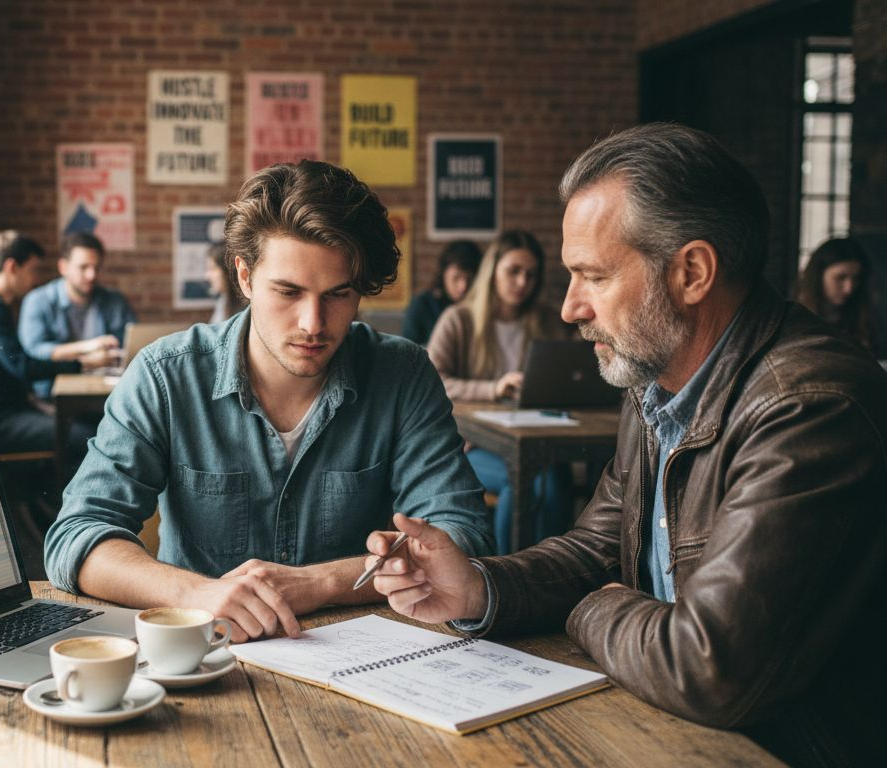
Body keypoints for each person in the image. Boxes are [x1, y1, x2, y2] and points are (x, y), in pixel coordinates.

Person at [366, 124, 887, 767]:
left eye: (593, 276)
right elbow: (598, 548)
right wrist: (478, 586)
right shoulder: (656, 384)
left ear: (692, 272)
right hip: (671, 720)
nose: (569, 308)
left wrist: (596, 610)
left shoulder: (807, 407)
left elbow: (709, 665)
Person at [45, 160, 493, 642]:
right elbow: (78, 536)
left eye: (338, 294)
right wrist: (194, 594)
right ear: (244, 277)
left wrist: (319, 583)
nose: (313, 323)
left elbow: (462, 537)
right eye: (288, 291)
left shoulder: (402, 374)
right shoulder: (166, 375)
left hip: (362, 656)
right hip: (207, 652)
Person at [426, 230, 573, 554]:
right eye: (514, 271)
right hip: (475, 444)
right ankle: (510, 574)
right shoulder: (459, 319)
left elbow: (568, 374)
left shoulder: (547, 320)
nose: (523, 282)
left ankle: (554, 576)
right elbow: (431, 379)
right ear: (493, 270)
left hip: (534, 439)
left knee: (552, 482)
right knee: (525, 482)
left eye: (531, 274)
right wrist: (493, 388)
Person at [0, 231, 102, 458]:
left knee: (88, 426)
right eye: (33, 270)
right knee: (92, 437)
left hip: (8, 412)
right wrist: (81, 365)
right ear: (12, 267)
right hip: (0, 424)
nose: (36, 279)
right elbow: (23, 367)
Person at [19, 232, 137, 398]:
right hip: (53, 397)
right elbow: (34, 351)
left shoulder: (115, 301)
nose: (92, 275)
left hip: (106, 394)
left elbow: (131, 347)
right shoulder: (38, 300)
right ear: (63, 267)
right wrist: (89, 346)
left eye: (96, 268)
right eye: (83, 267)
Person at [797, 236, 880, 354]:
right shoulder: (794, 318)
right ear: (818, 276)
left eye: (856, 279)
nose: (849, 288)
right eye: (840, 278)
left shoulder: (864, 319)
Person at [401, 239, 482, 345]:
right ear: (443, 274)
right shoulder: (423, 305)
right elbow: (407, 350)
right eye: (456, 278)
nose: (463, 286)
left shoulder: (482, 306)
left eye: (470, 279)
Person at [205, 241, 247, 324]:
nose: (207, 276)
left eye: (213, 269)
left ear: (228, 271)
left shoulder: (245, 311)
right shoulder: (223, 302)